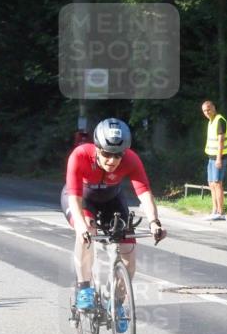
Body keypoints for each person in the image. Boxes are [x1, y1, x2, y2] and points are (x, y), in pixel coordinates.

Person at [62, 119, 166, 319]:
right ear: (97, 148)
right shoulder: (80, 155)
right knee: (87, 233)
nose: (112, 160)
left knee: (129, 254)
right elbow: (74, 197)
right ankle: (84, 288)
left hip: (112, 200)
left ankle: (116, 303)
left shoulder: (131, 160)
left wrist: (154, 222)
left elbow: (143, 192)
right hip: (82, 199)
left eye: (117, 155)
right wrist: (82, 226)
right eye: (106, 154)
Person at [201, 100, 227, 221]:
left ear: (214, 108)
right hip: (211, 157)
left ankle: (220, 212)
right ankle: (214, 210)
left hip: (220, 157)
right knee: (211, 184)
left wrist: (219, 158)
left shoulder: (220, 120)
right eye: (204, 110)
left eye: (208, 109)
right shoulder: (211, 122)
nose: (207, 112)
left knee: (218, 183)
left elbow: (221, 141)